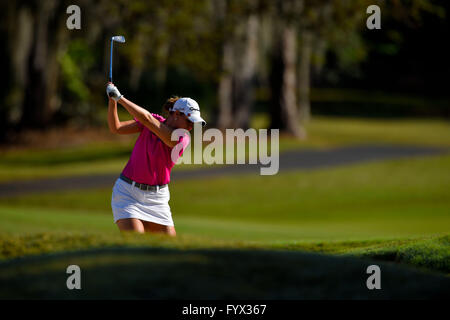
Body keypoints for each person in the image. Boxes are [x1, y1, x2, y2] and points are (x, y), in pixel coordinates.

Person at [106, 83, 206, 236]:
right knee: (136, 244)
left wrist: (120, 98)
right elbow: (116, 128)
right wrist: (112, 100)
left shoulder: (182, 137)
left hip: (157, 199)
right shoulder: (154, 121)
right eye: (189, 121)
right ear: (176, 114)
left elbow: (147, 120)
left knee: (169, 252)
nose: (191, 127)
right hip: (128, 194)